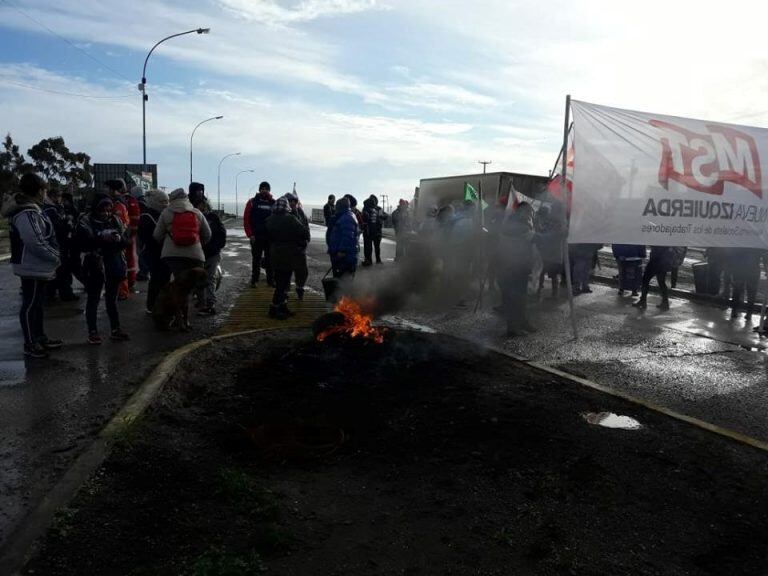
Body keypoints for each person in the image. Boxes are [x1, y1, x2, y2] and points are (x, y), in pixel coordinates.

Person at [4, 173, 62, 358]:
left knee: (37, 304)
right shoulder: (27, 213)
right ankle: (30, 343)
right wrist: (55, 256)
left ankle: (39, 337)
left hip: (36, 265)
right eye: (44, 190)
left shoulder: (32, 210)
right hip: (31, 265)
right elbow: (35, 241)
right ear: (39, 191)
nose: (45, 194)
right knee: (30, 305)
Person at [76, 195, 131, 344]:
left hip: (114, 264)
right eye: (102, 210)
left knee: (112, 298)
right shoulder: (85, 222)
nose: (106, 213)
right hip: (94, 265)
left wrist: (118, 239)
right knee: (93, 299)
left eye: (108, 210)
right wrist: (101, 237)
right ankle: (92, 332)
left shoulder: (116, 220)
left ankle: (115, 329)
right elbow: (82, 243)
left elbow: (126, 241)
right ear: (95, 209)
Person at [495, 202, 537, 337]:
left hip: (512, 266)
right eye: (530, 212)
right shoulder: (520, 227)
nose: (531, 215)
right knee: (515, 298)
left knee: (518, 297)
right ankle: (513, 327)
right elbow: (539, 239)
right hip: (514, 266)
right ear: (523, 212)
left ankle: (522, 321)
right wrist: (560, 234)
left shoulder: (511, 223)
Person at [153, 188, 211, 277]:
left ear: (172, 199)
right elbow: (207, 234)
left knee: (178, 284)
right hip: (195, 255)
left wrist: (166, 244)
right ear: (186, 198)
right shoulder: (197, 213)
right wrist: (198, 243)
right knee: (196, 283)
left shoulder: (166, 212)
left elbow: (157, 235)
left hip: (172, 256)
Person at [266, 197, 308, 319]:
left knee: (281, 282)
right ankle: (274, 309)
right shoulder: (291, 219)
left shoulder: (269, 220)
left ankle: (282, 306)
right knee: (282, 284)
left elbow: (267, 236)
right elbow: (304, 232)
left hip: (274, 254)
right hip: (289, 255)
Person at [189, 183, 226, 315]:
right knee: (204, 279)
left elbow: (222, 234)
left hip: (206, 253)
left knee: (207, 279)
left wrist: (216, 247)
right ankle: (205, 303)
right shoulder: (209, 217)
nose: (202, 206)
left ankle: (208, 304)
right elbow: (222, 234)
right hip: (201, 253)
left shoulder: (203, 217)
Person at [42, 187, 78, 302]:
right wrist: (68, 223)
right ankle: (65, 293)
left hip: (58, 243)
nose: (60, 199)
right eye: (58, 196)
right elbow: (58, 227)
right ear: (53, 197)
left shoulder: (53, 208)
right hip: (58, 243)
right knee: (62, 269)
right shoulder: (50, 210)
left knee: (58, 269)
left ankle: (52, 292)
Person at [138, 189, 171, 314]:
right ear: (154, 202)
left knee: (162, 279)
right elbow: (149, 237)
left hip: (161, 252)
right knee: (157, 280)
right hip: (154, 253)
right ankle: (152, 306)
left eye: (167, 201)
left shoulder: (159, 214)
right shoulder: (147, 216)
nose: (165, 204)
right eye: (162, 201)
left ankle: (159, 304)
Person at [632, 246, 686, 311]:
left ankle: (643, 301)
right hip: (663, 263)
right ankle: (665, 303)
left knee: (645, 280)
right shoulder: (666, 239)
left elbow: (655, 246)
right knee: (661, 282)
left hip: (655, 261)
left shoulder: (659, 238)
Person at [243, 181, 275, 287]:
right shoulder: (252, 202)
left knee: (270, 260)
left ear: (269, 190)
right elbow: (246, 219)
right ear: (259, 189)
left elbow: (277, 220)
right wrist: (250, 234)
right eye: (262, 188)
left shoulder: (273, 203)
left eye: (266, 189)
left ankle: (270, 280)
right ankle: (254, 280)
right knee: (256, 260)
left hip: (270, 238)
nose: (264, 190)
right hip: (256, 237)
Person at [535, 203, 566, 299]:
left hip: (553, 252)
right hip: (547, 251)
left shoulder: (560, 222)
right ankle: (539, 290)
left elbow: (558, 234)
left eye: (553, 209)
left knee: (552, 274)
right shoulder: (550, 220)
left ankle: (553, 293)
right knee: (542, 272)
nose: (551, 211)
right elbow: (542, 230)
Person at [286, 192, 310, 300]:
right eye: (290, 201)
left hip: (300, 248)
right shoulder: (283, 214)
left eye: (294, 201)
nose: (292, 203)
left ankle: (300, 288)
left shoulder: (301, 213)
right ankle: (284, 293)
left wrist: (307, 237)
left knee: (302, 272)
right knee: (286, 273)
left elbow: (306, 226)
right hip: (287, 249)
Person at [327, 196, 359, 278]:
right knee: (339, 280)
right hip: (340, 256)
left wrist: (342, 250)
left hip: (345, 257)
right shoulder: (344, 216)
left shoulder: (347, 218)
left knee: (343, 282)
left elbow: (347, 236)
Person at [730, 248, 762, 320]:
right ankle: (749, 313)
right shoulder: (757, 242)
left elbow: (732, 255)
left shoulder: (741, 241)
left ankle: (734, 311)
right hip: (753, 270)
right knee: (751, 293)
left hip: (739, 270)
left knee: (737, 292)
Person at [361, 194, 387, 265]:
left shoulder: (379, 209)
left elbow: (386, 216)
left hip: (375, 231)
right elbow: (363, 218)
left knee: (376, 247)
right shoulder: (366, 208)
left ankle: (377, 259)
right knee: (368, 247)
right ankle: (368, 260)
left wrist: (382, 216)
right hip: (368, 231)